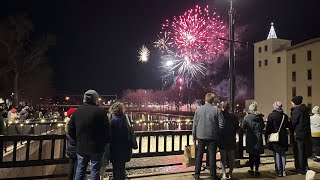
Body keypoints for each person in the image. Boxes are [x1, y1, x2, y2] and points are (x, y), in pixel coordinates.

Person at [68, 90, 110, 180]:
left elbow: (70, 129)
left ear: (84, 99)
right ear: (95, 99)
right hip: (97, 147)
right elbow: (107, 130)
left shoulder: (77, 112)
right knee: (95, 170)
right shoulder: (101, 112)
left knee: (80, 169)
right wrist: (104, 141)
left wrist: (78, 139)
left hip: (81, 146)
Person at [192, 93, 224, 180]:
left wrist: (194, 136)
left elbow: (194, 124)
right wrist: (217, 133)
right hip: (212, 137)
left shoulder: (199, 110)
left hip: (201, 136)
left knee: (199, 155)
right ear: (213, 100)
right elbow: (221, 125)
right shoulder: (217, 110)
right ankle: (213, 175)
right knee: (212, 156)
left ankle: (197, 174)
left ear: (205, 99)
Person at [108, 102, 132, 180]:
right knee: (122, 167)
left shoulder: (112, 121)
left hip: (115, 148)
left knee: (115, 168)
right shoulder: (126, 119)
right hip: (125, 147)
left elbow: (109, 136)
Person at [265, 101, 289, 177]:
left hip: (275, 136)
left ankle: (279, 171)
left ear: (274, 107)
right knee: (283, 153)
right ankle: (284, 170)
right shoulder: (285, 116)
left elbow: (269, 127)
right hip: (284, 136)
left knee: (277, 153)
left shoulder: (271, 115)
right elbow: (287, 125)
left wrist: (266, 136)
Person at [290, 96, 312, 175]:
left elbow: (293, 123)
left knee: (299, 152)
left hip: (298, 135)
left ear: (295, 103)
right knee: (304, 151)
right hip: (306, 133)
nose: (291, 104)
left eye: (292, 102)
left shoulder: (297, 111)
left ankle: (300, 169)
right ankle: (305, 167)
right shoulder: (305, 110)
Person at [242, 102, 265, 176]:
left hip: (250, 137)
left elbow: (243, 127)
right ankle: (257, 170)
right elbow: (263, 126)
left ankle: (251, 169)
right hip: (258, 136)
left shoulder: (247, 117)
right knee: (257, 154)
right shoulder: (260, 117)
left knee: (251, 154)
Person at [219, 102, 239, 179]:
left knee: (223, 158)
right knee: (231, 158)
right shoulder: (233, 116)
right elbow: (237, 127)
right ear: (229, 107)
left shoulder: (220, 115)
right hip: (231, 138)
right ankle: (230, 173)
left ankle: (224, 173)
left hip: (222, 138)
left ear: (222, 107)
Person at [65, 108, 77, 180]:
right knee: (77, 168)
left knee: (71, 167)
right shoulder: (73, 124)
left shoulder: (68, 124)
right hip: (77, 148)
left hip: (71, 149)